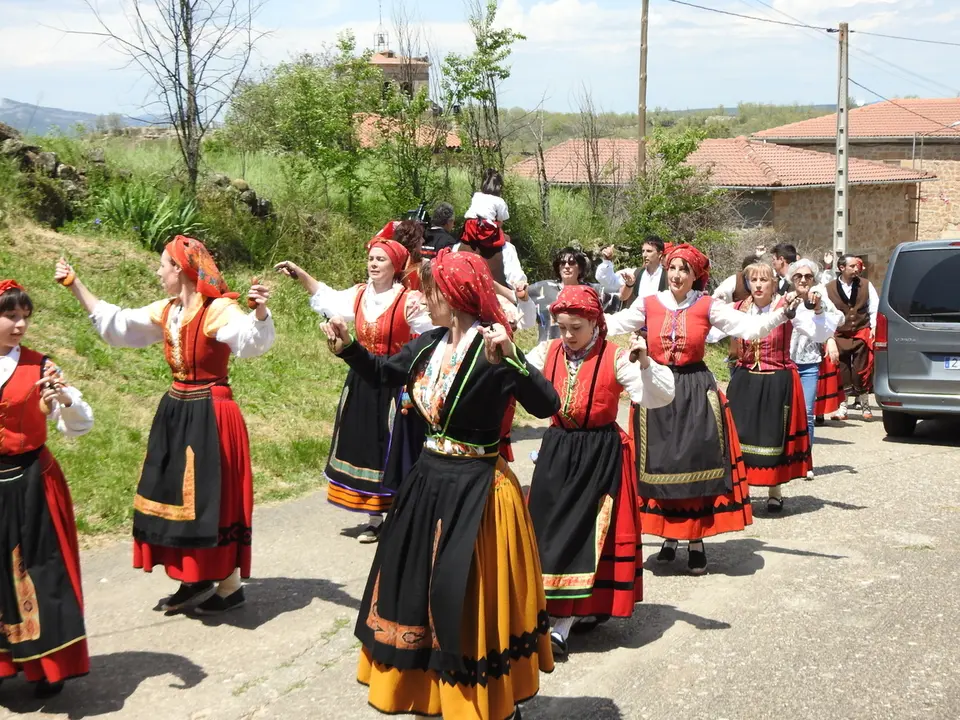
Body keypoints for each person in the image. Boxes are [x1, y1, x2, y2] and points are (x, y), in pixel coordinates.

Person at [321, 249, 559, 720]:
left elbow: (546, 403)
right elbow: (385, 373)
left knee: (466, 598)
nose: (424, 301)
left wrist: (513, 361)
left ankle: (486, 702)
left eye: (431, 293)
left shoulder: (493, 348)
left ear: (454, 295)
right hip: (428, 484)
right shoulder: (428, 344)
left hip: (477, 491)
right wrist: (348, 348)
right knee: (414, 595)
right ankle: (432, 696)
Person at [56, 237, 275, 614]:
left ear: (180, 270)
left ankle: (227, 584)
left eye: (163, 266)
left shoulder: (218, 310)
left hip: (211, 412)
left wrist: (258, 314)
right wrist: (76, 284)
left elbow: (250, 342)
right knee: (173, 496)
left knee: (209, 499)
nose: (158, 272)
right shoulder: (168, 310)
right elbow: (119, 325)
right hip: (176, 410)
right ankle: (195, 575)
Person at [603, 244, 797, 574]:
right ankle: (667, 536)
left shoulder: (707, 305)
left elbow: (748, 329)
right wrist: (581, 312)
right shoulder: (649, 304)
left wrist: (782, 313)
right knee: (659, 465)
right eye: (673, 269)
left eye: (685, 270)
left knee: (695, 463)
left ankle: (695, 540)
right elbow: (614, 324)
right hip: (656, 385)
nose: (677, 275)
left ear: (696, 276)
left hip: (694, 390)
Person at [525, 286, 675, 656]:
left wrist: (645, 363)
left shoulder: (617, 357)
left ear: (595, 323)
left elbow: (659, 396)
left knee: (586, 536)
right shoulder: (547, 352)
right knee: (546, 532)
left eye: (575, 327)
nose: (567, 335)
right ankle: (545, 610)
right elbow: (516, 379)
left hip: (598, 453)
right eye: (561, 327)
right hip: (557, 449)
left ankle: (565, 621)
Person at [275, 239, 432, 543]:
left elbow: (433, 329)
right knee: (365, 445)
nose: (373, 264)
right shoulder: (360, 295)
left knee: (393, 446)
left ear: (395, 266)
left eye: (381, 260)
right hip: (361, 378)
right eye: (371, 258)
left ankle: (402, 513)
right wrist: (300, 274)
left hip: (394, 380)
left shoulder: (408, 300)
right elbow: (327, 297)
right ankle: (374, 517)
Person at [0, 280, 93, 697]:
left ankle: (49, 666)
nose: (20, 325)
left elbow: (78, 425)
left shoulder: (41, 368)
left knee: (41, 572)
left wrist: (65, 399)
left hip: (33, 480)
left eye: (25, 317)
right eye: (10, 316)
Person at [725, 263, 831, 512]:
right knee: (741, 435)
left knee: (773, 436)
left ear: (774, 283)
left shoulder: (787, 307)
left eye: (764, 280)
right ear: (748, 283)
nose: (759, 285)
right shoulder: (738, 309)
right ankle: (743, 489)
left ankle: (774, 490)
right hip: (745, 377)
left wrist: (818, 308)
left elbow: (818, 332)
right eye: (754, 280)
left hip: (777, 378)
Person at [786, 259, 843, 474]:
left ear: (813, 279)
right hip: (786, 362)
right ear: (792, 279)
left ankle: (806, 460)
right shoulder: (785, 299)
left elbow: (839, 317)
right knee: (787, 413)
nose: (803, 280)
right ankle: (788, 458)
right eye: (798, 276)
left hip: (809, 362)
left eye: (807, 276)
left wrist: (829, 337)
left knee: (808, 413)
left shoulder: (819, 299)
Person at [529, 247, 626, 343]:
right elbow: (518, 296)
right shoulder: (543, 288)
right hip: (548, 350)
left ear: (580, 268)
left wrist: (630, 284)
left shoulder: (591, 291)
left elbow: (621, 297)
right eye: (562, 263)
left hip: (582, 350)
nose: (566, 266)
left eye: (571, 263)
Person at [825, 255, 879, 421]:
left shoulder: (866, 285)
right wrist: (828, 335)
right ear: (842, 268)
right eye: (853, 266)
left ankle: (865, 406)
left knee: (862, 370)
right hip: (840, 334)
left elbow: (874, 306)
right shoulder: (829, 287)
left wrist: (874, 327)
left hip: (861, 332)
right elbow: (825, 312)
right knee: (842, 371)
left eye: (857, 266)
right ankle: (843, 408)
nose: (857, 269)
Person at [463, 168, 510, 285]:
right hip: (486, 228)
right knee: (505, 239)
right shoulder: (499, 201)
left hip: (470, 226)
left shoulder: (476, 195)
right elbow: (502, 219)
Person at [595, 237, 668, 302]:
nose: (644, 255)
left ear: (660, 254)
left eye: (649, 251)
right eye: (643, 251)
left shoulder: (668, 277)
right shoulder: (634, 273)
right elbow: (609, 283)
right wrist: (607, 261)